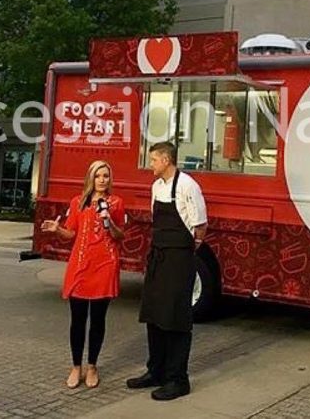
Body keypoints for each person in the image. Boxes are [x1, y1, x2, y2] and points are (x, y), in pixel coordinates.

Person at [126, 141, 208, 401]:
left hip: (179, 259)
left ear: (166, 160)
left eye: (153, 160)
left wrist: (186, 250)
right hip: (158, 257)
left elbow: (200, 225)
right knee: (154, 315)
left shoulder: (187, 185)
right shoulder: (156, 186)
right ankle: (156, 371)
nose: (150, 164)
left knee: (175, 318)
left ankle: (178, 379)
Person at [41, 160, 125, 389]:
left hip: (105, 264)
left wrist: (109, 221)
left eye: (106, 176)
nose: (102, 180)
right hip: (80, 265)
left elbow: (120, 235)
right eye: (98, 175)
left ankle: (92, 366)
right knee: (77, 320)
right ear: (90, 178)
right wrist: (57, 230)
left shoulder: (116, 203)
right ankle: (76, 366)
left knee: (98, 320)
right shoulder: (77, 202)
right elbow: (70, 234)